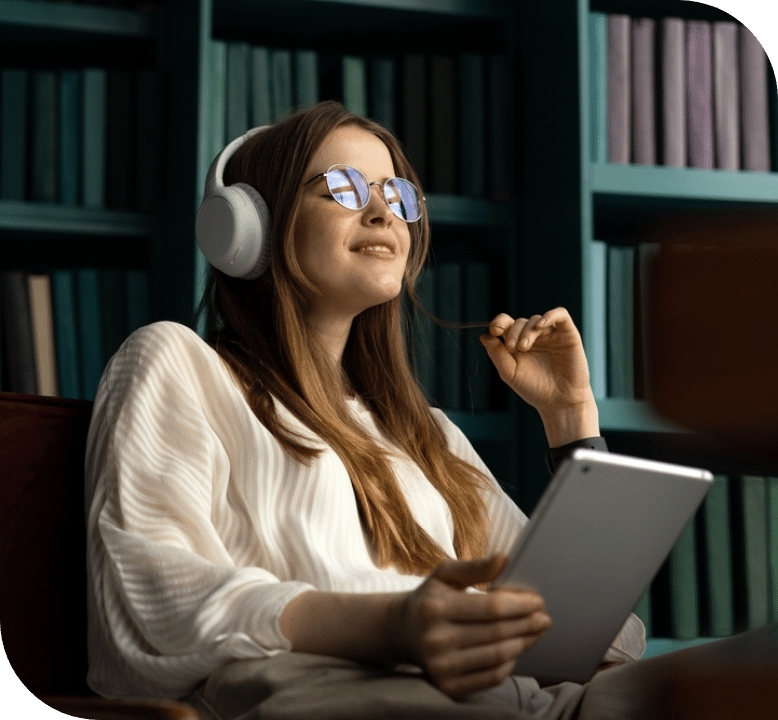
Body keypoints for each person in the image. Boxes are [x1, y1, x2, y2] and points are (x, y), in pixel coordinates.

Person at [84, 101, 774, 720]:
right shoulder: (179, 364)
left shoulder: (426, 436)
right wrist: (393, 625)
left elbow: (602, 639)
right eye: (346, 189)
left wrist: (572, 423)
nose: (383, 212)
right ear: (248, 226)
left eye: (396, 194)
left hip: (535, 703)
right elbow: (149, 605)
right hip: (343, 693)